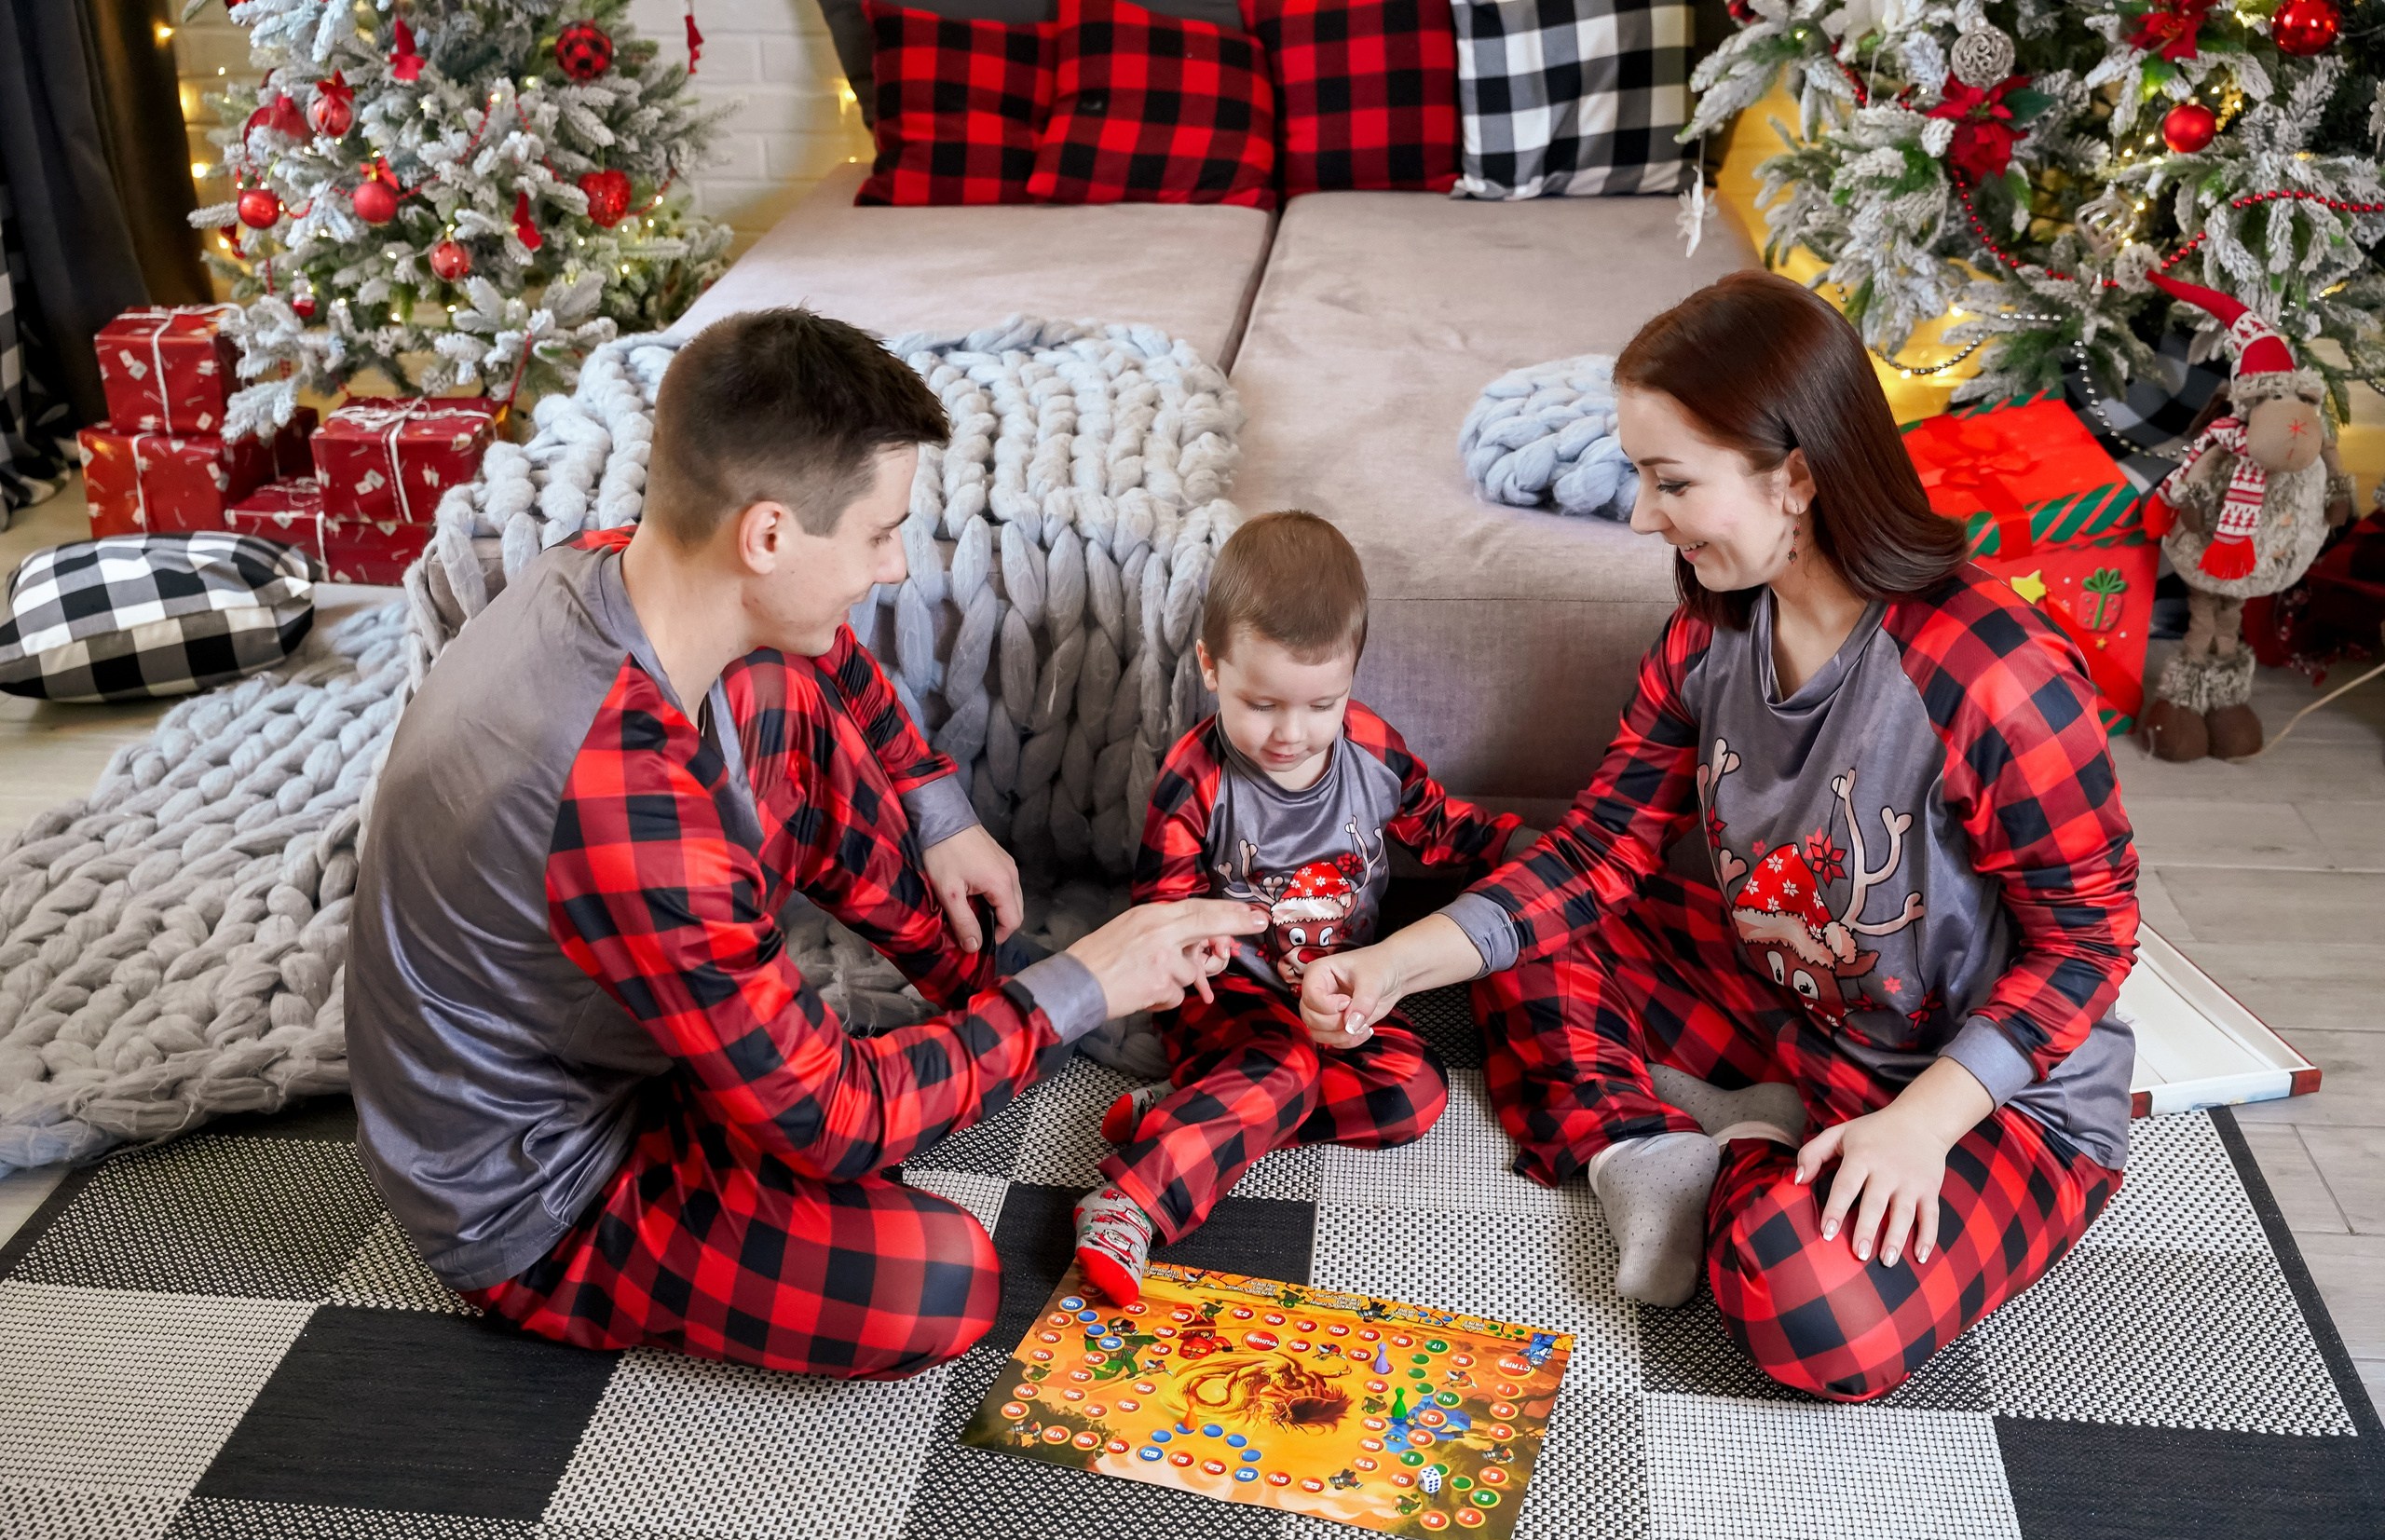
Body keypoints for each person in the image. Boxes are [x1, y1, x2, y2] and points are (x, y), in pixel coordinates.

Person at [347, 308, 1263, 1381]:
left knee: (782, 685)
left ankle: (978, 1001)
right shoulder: (622, 795)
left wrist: (941, 811)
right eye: (878, 534)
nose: (892, 568)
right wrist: (1089, 982)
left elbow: (824, 668)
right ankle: (1005, 1019)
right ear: (769, 534)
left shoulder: (607, 572)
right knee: (939, 1280)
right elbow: (834, 1122)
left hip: (601, 1016)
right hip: (541, 1188)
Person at [1297, 271, 2139, 1403]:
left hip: (1986, 1097)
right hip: (1792, 1009)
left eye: (1670, 481)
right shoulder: (1705, 635)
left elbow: (2088, 943)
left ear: (1795, 477)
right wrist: (1394, 967)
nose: (1643, 517)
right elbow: (1596, 859)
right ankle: (1646, 1154)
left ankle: (1746, 1156)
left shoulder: (1992, 676)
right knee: (1511, 886)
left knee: (1817, 1316)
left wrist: (1920, 1126)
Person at [1072, 511, 1528, 1305]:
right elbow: (1164, 915)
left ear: (1351, 677)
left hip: (1337, 988)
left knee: (1412, 1094)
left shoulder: (1373, 753)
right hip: (1231, 996)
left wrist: (1532, 854)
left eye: (1322, 706)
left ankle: (1196, 1112)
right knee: (1279, 1065)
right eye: (1263, 704)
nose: (1292, 733)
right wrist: (1201, 953)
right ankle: (1130, 1199)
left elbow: (1444, 828)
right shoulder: (1197, 782)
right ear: (1212, 667)